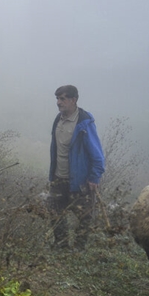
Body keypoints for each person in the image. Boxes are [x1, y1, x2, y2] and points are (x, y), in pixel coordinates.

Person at [48, 85, 105, 248]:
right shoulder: (58, 120)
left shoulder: (84, 123)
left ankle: (79, 249)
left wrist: (94, 177)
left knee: (84, 216)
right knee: (54, 213)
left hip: (79, 181)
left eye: (63, 99)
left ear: (74, 100)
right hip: (58, 179)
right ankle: (61, 245)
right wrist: (52, 176)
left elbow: (98, 155)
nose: (58, 102)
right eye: (57, 99)